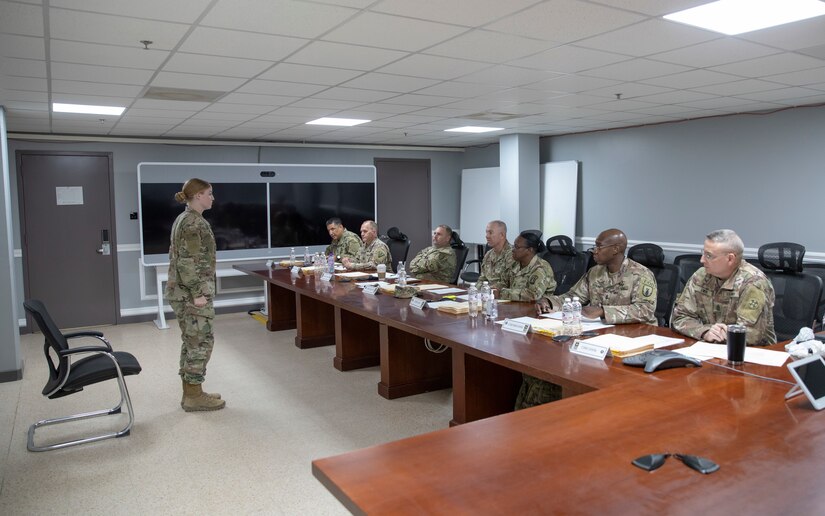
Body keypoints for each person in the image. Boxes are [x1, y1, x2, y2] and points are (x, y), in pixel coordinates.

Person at [165, 178, 225, 412]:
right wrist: (197, 293)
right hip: (191, 294)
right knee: (201, 342)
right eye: (210, 193)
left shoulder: (187, 218)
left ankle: (192, 391)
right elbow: (187, 262)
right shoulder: (192, 223)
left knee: (192, 341)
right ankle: (193, 396)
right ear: (198, 195)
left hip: (183, 291)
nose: (213, 197)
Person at [671, 229, 776, 346]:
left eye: (709, 255)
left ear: (730, 259)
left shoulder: (753, 283)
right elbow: (679, 317)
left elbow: (751, 335)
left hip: (754, 355)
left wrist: (719, 333)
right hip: (709, 349)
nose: (702, 260)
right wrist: (705, 332)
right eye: (703, 253)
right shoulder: (700, 276)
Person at [536, 228, 657, 325]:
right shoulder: (595, 271)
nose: (595, 251)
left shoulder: (641, 275)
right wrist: (549, 302)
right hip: (602, 330)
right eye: (595, 246)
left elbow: (645, 310)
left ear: (615, 249)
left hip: (637, 333)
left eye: (599, 247)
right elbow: (574, 296)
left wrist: (603, 311)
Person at [496, 231, 557, 302]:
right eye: (514, 246)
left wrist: (501, 293)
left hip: (537, 309)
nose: (513, 250)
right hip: (515, 305)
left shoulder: (541, 268)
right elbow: (504, 282)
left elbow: (532, 295)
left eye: (517, 247)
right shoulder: (515, 264)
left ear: (529, 250)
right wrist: (493, 289)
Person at [474, 220, 516, 290]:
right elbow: (482, 278)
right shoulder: (488, 254)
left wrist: (486, 290)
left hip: (503, 297)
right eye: (486, 232)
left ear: (502, 235)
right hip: (487, 295)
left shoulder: (513, 254)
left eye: (490, 232)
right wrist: (476, 290)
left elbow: (507, 284)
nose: (487, 236)